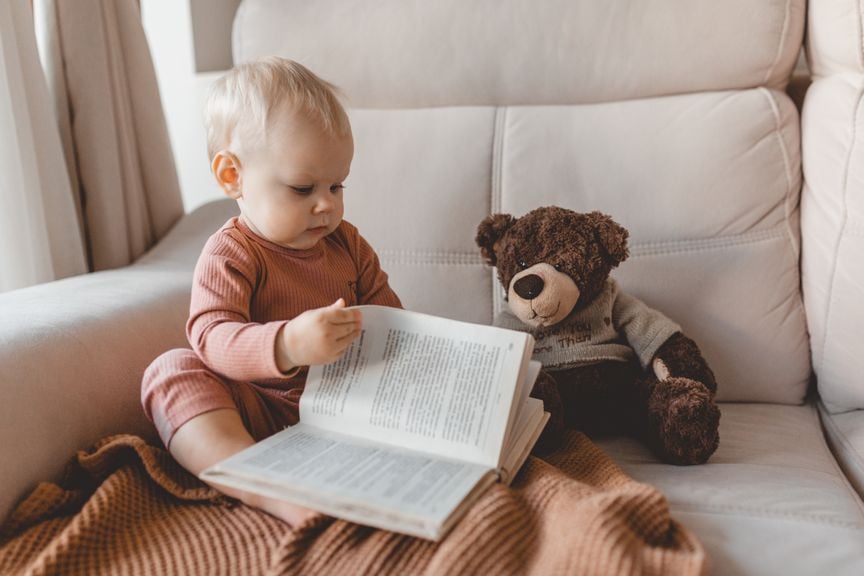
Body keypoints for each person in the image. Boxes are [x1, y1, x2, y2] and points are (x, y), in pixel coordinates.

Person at [141, 57, 402, 527]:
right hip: (261, 411)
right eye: (303, 188)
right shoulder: (232, 253)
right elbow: (210, 335)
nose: (327, 204)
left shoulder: (348, 245)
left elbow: (392, 317)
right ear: (231, 176)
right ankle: (262, 484)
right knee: (170, 371)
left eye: (336, 185)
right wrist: (286, 344)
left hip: (350, 408)